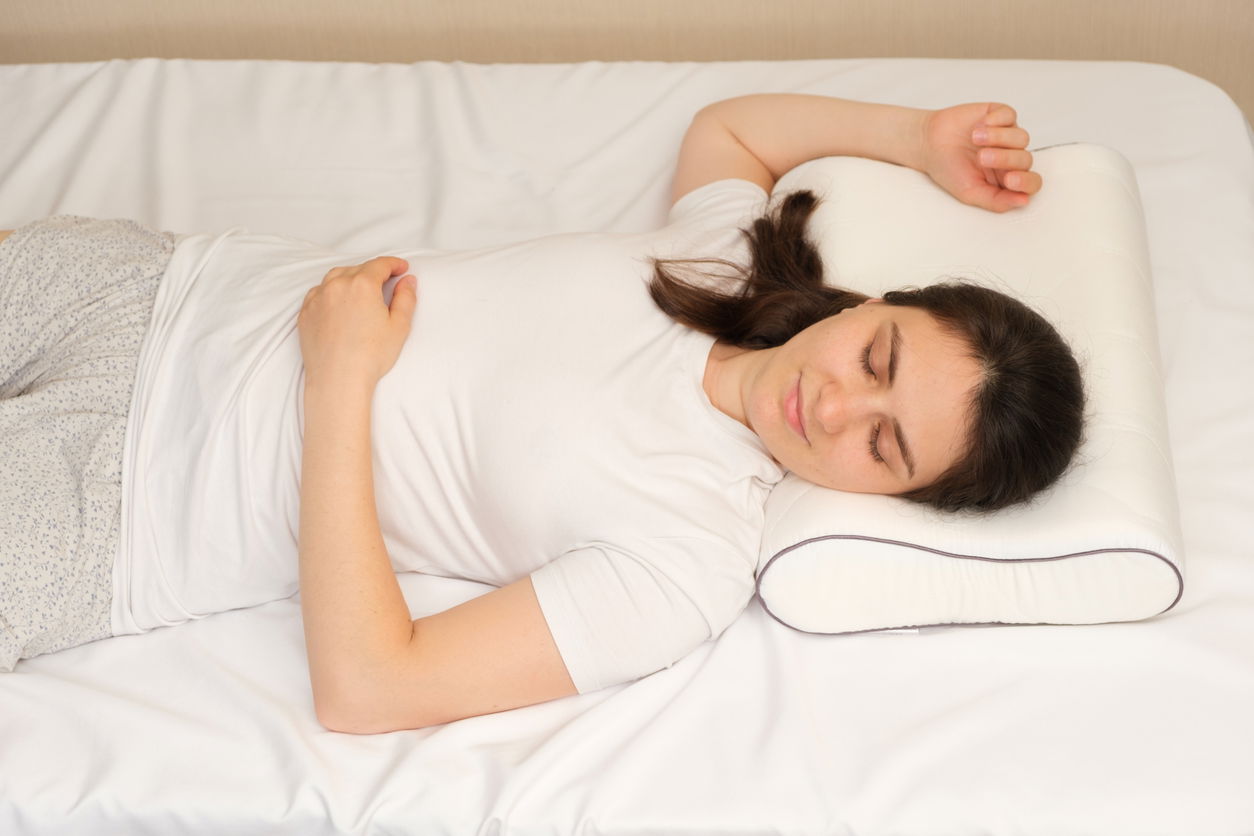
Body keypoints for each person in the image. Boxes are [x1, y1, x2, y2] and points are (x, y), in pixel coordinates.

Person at [0, 95, 1082, 732]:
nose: (836, 401)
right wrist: (916, 134)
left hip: (122, 508)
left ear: (898, 497)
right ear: (876, 302)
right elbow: (734, 128)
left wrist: (342, 385)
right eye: (878, 354)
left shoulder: (686, 558)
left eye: (882, 443)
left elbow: (374, 686)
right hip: (154, 289)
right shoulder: (723, 265)